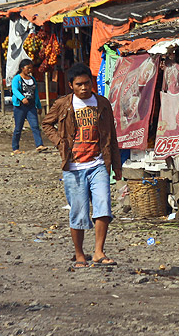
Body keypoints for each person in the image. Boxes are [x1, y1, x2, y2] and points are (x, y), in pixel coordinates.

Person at [41, 63, 121, 269]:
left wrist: (117, 167)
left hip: (99, 164)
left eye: (87, 83)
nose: (84, 88)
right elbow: (46, 124)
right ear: (71, 86)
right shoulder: (63, 104)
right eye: (79, 85)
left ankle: (98, 252)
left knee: (103, 207)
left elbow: (111, 135)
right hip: (74, 167)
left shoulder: (102, 103)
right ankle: (79, 255)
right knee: (78, 212)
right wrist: (60, 142)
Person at [11, 58, 47, 154]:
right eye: (28, 68)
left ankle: (39, 145)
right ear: (22, 68)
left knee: (35, 126)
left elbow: (35, 94)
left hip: (31, 106)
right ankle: (15, 148)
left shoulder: (32, 79)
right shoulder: (17, 79)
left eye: (31, 68)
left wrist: (39, 106)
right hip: (20, 107)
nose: (30, 70)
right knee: (18, 128)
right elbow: (14, 90)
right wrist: (22, 98)